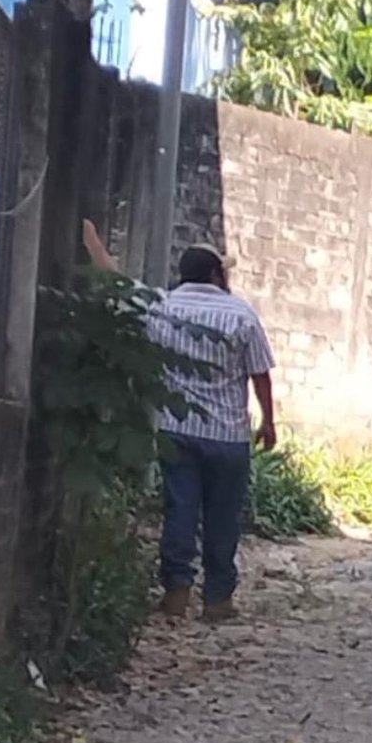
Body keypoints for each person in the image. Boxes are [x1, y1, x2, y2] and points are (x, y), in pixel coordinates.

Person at [82, 220, 276, 622]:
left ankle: (176, 595)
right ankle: (218, 599)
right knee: (223, 518)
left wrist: (91, 239)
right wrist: (268, 423)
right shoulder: (242, 314)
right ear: (215, 274)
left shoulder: (162, 305)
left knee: (180, 510)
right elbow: (260, 374)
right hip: (228, 435)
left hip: (178, 431)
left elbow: (117, 281)